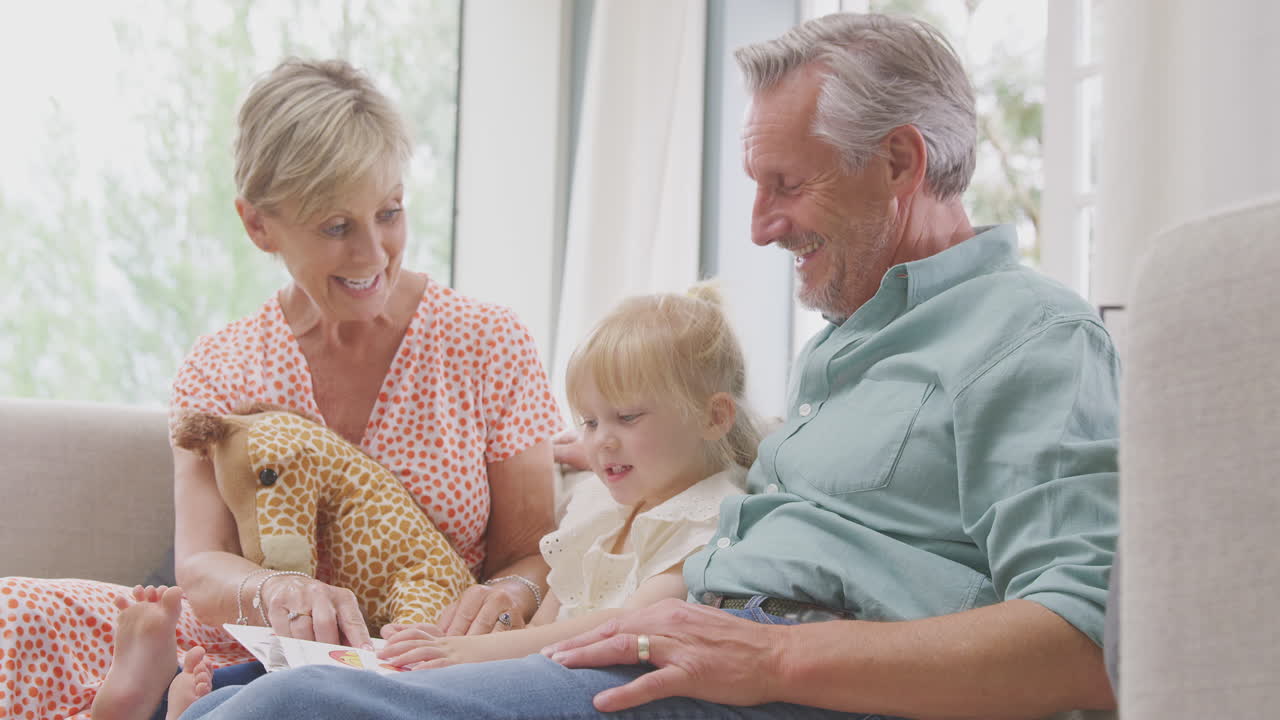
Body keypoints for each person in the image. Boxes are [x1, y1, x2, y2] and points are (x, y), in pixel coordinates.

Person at [173, 12, 1120, 719]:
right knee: (226, 699)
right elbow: (710, 575)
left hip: (777, 672)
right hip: (681, 640)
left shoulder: (1032, 337)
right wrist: (529, 643)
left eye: (786, 184)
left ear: (901, 163)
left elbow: (1089, 643)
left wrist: (777, 662)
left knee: (280, 714)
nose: (758, 226)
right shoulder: (844, 351)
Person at [0, 58, 562, 720]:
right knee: (13, 614)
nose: (375, 253)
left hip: (416, 661)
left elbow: (533, 551)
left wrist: (511, 595)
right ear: (257, 224)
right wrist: (277, 592)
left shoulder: (486, 343)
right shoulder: (224, 364)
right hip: (239, 649)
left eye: (389, 212)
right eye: (336, 226)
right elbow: (204, 565)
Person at [373, 284, 762, 670]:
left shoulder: (711, 519)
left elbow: (627, 626)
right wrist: (472, 642)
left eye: (627, 417)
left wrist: (470, 654)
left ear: (713, 417)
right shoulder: (596, 506)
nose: (601, 442)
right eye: (590, 422)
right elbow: (545, 625)